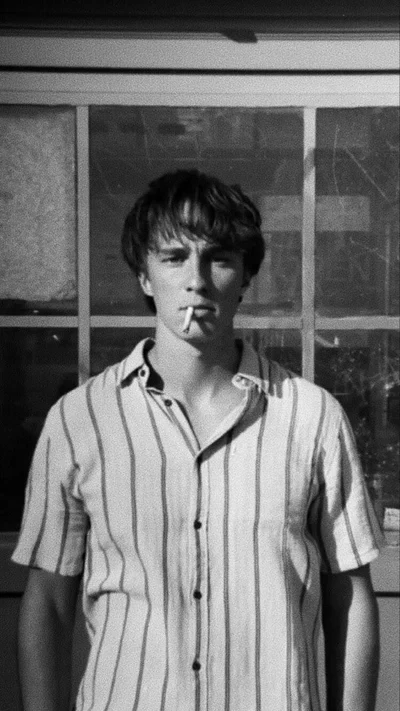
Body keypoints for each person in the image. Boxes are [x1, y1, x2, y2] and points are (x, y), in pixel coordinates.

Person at [13, 169, 384, 711]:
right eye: (174, 257)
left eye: (219, 258)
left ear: (246, 275)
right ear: (144, 276)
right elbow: (48, 600)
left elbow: (349, 594)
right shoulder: (80, 419)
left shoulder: (311, 417)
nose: (197, 280)